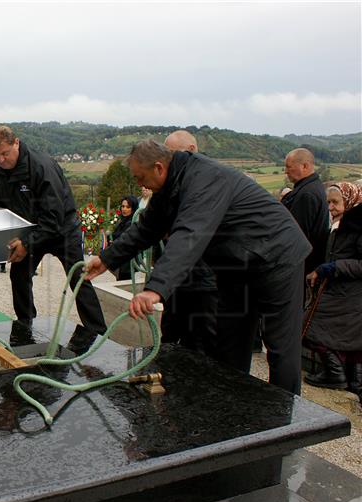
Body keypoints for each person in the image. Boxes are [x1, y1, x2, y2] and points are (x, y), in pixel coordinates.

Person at [84, 140, 311, 394]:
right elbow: (146, 229)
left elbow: (190, 233)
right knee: (229, 342)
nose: (139, 185)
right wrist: (106, 259)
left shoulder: (204, 179)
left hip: (277, 257)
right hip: (236, 267)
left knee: (281, 348)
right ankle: (234, 409)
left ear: (159, 167)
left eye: (141, 177)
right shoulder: (169, 187)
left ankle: (290, 419)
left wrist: (155, 289)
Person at [0, 125, 107, 352]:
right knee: (19, 275)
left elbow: (53, 217)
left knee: (78, 278)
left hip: (62, 229)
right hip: (30, 230)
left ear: (16, 143)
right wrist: (9, 239)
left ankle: (98, 332)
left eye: (5, 153)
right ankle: (26, 325)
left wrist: (28, 243)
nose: (1, 160)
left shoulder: (42, 167)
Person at [159, 131, 219, 357]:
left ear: (192, 150)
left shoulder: (209, 182)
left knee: (201, 344)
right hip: (180, 279)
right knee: (170, 337)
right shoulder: (176, 184)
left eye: (173, 155)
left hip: (204, 280)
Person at [303, 182, 362, 395]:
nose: (330, 207)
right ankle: (350, 383)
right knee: (350, 342)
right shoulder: (341, 224)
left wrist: (332, 267)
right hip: (340, 291)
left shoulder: (358, 227)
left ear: (350, 201)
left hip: (349, 294)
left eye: (335, 202)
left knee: (313, 327)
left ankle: (336, 375)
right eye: (328, 202)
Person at [282, 148, 330, 274]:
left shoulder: (307, 194)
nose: (286, 171)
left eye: (289, 167)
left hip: (303, 265)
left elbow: (298, 235)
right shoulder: (312, 187)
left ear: (304, 166)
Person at [109, 195, 139, 281]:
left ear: (133, 208)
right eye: (123, 206)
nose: (124, 209)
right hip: (120, 260)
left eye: (128, 207)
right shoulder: (122, 221)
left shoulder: (132, 222)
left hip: (127, 263)